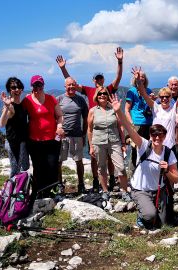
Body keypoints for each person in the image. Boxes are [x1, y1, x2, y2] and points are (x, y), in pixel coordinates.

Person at [56, 47, 123, 192]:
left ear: (103, 80)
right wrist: (63, 69)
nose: (99, 80)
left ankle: (111, 178)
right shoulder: (89, 90)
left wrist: (120, 62)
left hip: (110, 127)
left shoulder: (108, 89)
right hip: (95, 129)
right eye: (97, 78)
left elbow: (117, 79)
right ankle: (96, 181)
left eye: (101, 78)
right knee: (94, 157)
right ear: (93, 80)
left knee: (110, 157)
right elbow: (71, 84)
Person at [111, 94, 178, 229]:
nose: (157, 137)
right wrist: (119, 111)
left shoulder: (168, 152)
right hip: (141, 189)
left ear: (165, 136)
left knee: (165, 223)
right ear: (150, 136)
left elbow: (176, 178)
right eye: (154, 134)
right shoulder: (143, 145)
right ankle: (142, 216)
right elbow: (130, 129)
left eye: (160, 134)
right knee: (150, 217)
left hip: (158, 190)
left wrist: (166, 171)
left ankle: (154, 209)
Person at [22, 75, 64, 197]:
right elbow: (20, 115)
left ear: (43, 85)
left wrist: (59, 127)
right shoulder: (27, 100)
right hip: (34, 140)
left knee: (52, 165)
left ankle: (50, 190)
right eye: (35, 85)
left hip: (52, 139)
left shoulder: (51, 99)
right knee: (38, 167)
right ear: (32, 86)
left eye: (39, 85)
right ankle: (38, 191)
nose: (37, 87)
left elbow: (60, 116)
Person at [87, 86, 131, 202]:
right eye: (100, 94)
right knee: (101, 168)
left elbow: (120, 126)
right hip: (98, 142)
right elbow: (90, 130)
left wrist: (123, 143)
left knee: (121, 167)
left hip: (114, 141)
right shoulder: (92, 111)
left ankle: (125, 191)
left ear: (108, 96)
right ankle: (105, 191)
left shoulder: (113, 109)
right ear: (96, 96)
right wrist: (91, 146)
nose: (102, 95)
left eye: (105, 93)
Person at [57, 77, 88, 194]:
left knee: (79, 160)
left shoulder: (81, 100)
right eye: (69, 85)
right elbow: (54, 116)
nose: (71, 87)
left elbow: (85, 118)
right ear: (65, 86)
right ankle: (59, 184)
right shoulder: (59, 99)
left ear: (76, 86)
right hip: (62, 136)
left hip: (77, 135)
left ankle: (81, 184)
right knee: (59, 161)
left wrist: (84, 134)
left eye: (73, 85)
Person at [0, 77, 29, 177]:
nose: (17, 89)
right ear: (9, 90)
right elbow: (2, 123)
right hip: (13, 142)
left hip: (23, 141)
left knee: (24, 167)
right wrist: (7, 108)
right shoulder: (10, 105)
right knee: (15, 169)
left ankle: (20, 189)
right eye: (13, 87)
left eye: (19, 87)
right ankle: (12, 191)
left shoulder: (22, 104)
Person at [125, 69, 154, 174]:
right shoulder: (131, 91)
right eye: (139, 76)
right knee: (134, 149)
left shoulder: (149, 91)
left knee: (148, 148)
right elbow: (127, 109)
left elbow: (152, 107)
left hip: (148, 123)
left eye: (143, 77)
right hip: (136, 123)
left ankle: (146, 171)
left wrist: (153, 99)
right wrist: (131, 123)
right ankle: (133, 174)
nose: (141, 78)